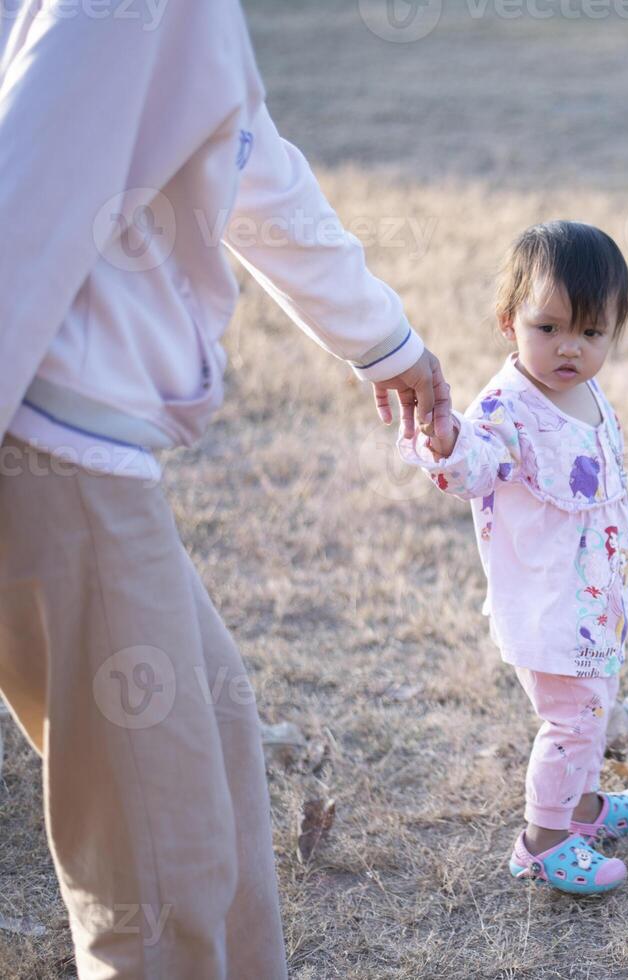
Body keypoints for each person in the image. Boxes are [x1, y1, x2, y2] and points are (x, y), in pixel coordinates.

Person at [0, 2, 454, 976]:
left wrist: (383, 338)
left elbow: (243, 155)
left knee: (216, 739)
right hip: (53, 461)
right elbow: (19, 213)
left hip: (78, 460)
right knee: (159, 881)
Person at [398, 221, 628, 895]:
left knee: (594, 704)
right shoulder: (505, 406)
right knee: (571, 716)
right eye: (547, 328)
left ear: (613, 331)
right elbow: (477, 467)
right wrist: (447, 442)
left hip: (594, 597)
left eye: (591, 332)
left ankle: (579, 809)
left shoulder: (584, 390)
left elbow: (608, 475)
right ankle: (542, 842)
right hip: (548, 603)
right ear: (507, 321)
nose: (569, 348)